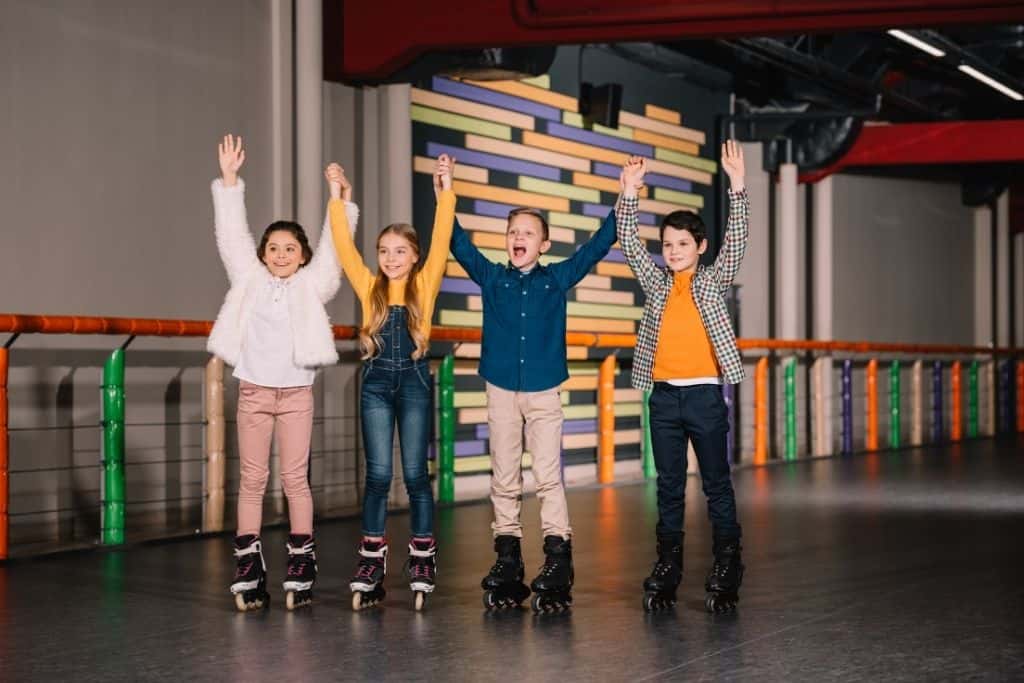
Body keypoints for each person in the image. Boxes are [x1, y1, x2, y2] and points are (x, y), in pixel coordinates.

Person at [209, 134, 354, 611]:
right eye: (272, 247)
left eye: (289, 248)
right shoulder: (249, 279)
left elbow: (335, 254)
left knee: (295, 479)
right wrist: (230, 180)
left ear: (303, 256)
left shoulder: (313, 286)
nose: (279, 253)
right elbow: (233, 237)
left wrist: (338, 201)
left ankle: (300, 558)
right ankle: (249, 561)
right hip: (253, 391)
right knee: (252, 479)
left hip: (295, 394)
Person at [614, 142, 749, 613]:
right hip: (664, 399)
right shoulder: (656, 283)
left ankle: (727, 562)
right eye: (668, 245)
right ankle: (668, 564)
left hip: (706, 398)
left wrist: (737, 186)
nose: (673, 252)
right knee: (669, 485)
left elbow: (738, 240)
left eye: (682, 244)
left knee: (716, 483)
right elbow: (628, 242)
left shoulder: (712, 280)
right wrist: (628, 193)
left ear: (701, 247)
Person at [325, 155, 456, 611]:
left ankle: (421, 554)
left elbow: (442, 238)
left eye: (400, 251)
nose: (391, 259)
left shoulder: (426, 283)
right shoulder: (369, 287)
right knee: (379, 475)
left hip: (416, 383)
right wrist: (339, 199)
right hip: (377, 384)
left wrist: (444, 192)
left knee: (417, 475)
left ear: (415, 256)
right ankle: (371, 558)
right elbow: (344, 248)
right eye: (384, 251)